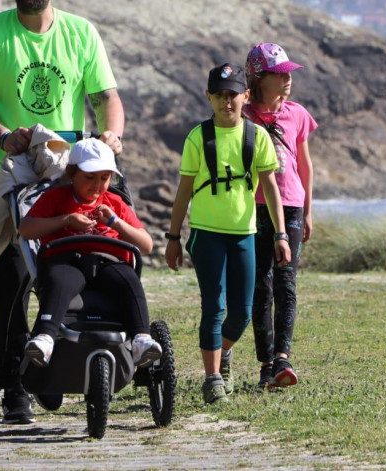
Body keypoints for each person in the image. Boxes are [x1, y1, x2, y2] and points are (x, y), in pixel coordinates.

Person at [0, 0, 125, 423]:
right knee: (10, 276)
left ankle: (56, 363)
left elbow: (107, 98)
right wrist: (2, 135)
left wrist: (111, 134)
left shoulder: (81, 33)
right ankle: (16, 384)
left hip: (63, 173)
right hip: (1, 173)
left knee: (68, 267)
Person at [164, 63, 291, 404]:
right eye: (219, 95)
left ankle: (223, 354)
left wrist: (281, 234)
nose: (226, 102)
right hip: (206, 234)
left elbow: (272, 189)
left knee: (243, 311)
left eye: (233, 95)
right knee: (214, 307)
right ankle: (213, 378)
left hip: (244, 234)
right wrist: (173, 238)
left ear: (245, 96)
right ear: (209, 97)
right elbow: (183, 191)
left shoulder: (256, 136)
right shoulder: (198, 137)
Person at [19, 139, 160, 367]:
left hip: (108, 262)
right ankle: (44, 337)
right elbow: (26, 229)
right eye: (90, 177)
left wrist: (115, 222)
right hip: (67, 260)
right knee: (60, 281)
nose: (97, 185)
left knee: (130, 281)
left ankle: (141, 339)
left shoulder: (115, 202)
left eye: (104, 178)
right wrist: (65, 220)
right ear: (71, 174)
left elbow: (146, 245)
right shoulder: (56, 198)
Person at [243, 43, 317, 388]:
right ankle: (265, 362)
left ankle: (282, 359)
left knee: (287, 284)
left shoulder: (297, 113)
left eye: (288, 73)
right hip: (254, 206)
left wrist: (308, 211)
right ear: (259, 78)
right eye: (279, 73)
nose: (287, 79)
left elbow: (304, 164)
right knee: (261, 285)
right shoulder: (242, 113)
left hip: (291, 206)